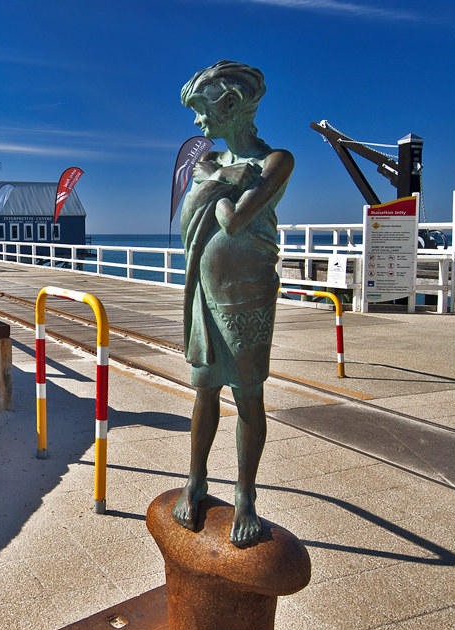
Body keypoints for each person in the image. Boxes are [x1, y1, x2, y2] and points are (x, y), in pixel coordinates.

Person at [171, 61, 294, 547]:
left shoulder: (275, 160)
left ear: (231, 106)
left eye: (204, 111)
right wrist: (212, 178)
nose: (199, 123)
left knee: (246, 393)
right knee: (204, 389)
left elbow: (236, 221)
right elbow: (187, 220)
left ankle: (245, 494)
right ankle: (196, 479)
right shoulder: (216, 164)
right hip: (206, 289)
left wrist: (215, 182)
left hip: (247, 296)